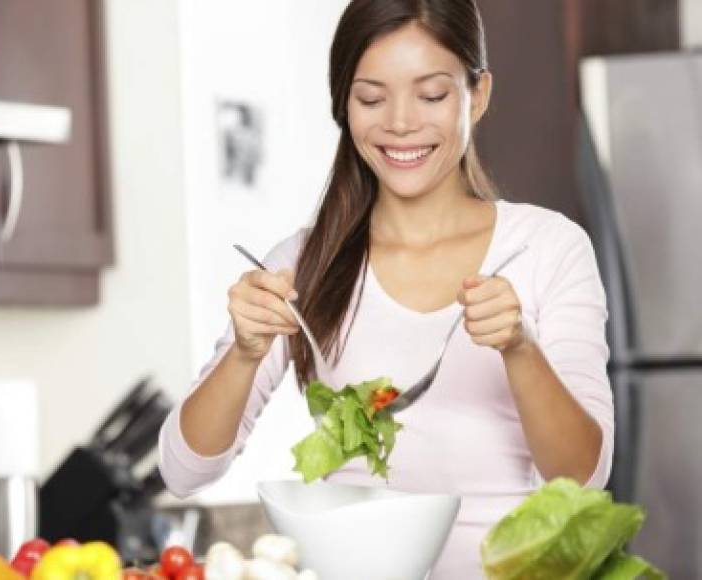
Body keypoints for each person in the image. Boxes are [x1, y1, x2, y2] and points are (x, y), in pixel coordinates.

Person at [158, 0, 614, 577]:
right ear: (343, 104)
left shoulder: (548, 247)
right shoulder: (303, 264)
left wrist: (519, 349)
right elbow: (183, 472)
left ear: (477, 95)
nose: (400, 123)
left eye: (431, 95)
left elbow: (582, 475)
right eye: (372, 97)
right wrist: (244, 356)